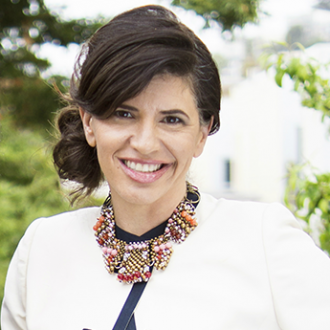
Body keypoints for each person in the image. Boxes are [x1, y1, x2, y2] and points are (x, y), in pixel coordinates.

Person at [2, 5, 330, 330]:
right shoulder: (42, 249)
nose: (145, 143)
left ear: (202, 133)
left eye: (172, 119)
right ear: (89, 123)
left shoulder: (264, 242)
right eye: (123, 114)